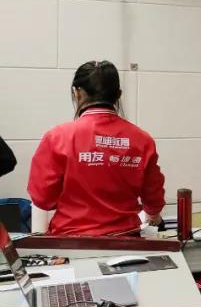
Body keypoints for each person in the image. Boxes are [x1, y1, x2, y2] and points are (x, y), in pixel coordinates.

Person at [28, 61, 165, 236]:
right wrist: (153, 216)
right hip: (127, 240)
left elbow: (42, 199)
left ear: (77, 93)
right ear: (118, 95)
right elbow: (154, 201)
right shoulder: (142, 140)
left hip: (71, 241)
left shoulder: (57, 137)